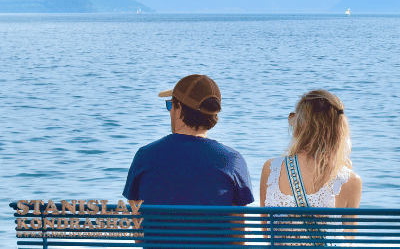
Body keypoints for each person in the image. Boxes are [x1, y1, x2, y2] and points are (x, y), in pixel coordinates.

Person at [123, 74, 254, 206]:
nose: (170, 111)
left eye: (171, 104)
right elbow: (239, 221)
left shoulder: (145, 156)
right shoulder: (232, 161)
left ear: (179, 108)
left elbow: (136, 217)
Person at [259, 90, 362, 242]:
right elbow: (349, 239)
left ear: (300, 125)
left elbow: (266, 231)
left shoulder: (271, 169)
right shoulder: (350, 180)